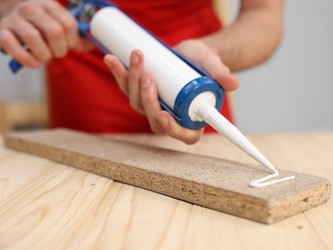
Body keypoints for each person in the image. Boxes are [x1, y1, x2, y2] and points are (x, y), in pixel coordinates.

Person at [0, 0, 284, 144]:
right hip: (83, 77)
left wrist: (213, 53)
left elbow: (264, 16)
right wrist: (12, 9)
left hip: (192, 69)